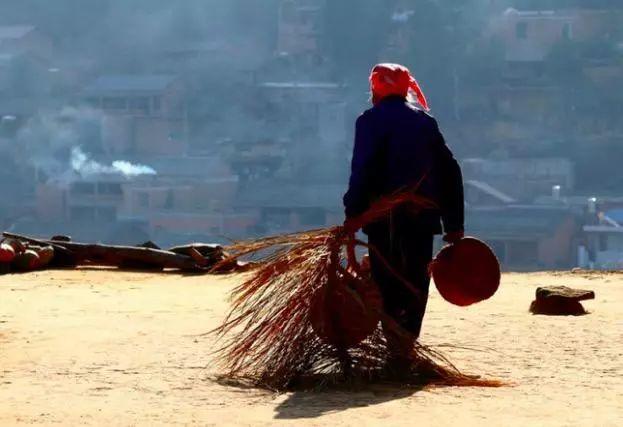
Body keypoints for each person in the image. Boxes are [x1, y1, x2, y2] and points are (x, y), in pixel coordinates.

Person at [343, 63, 464, 365]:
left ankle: (395, 351)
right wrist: (454, 224)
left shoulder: (369, 121)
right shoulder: (425, 122)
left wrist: (353, 213)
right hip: (422, 221)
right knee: (415, 283)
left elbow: (363, 171)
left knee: (388, 281)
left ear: (376, 89)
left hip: (384, 223)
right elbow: (450, 171)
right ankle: (405, 350)